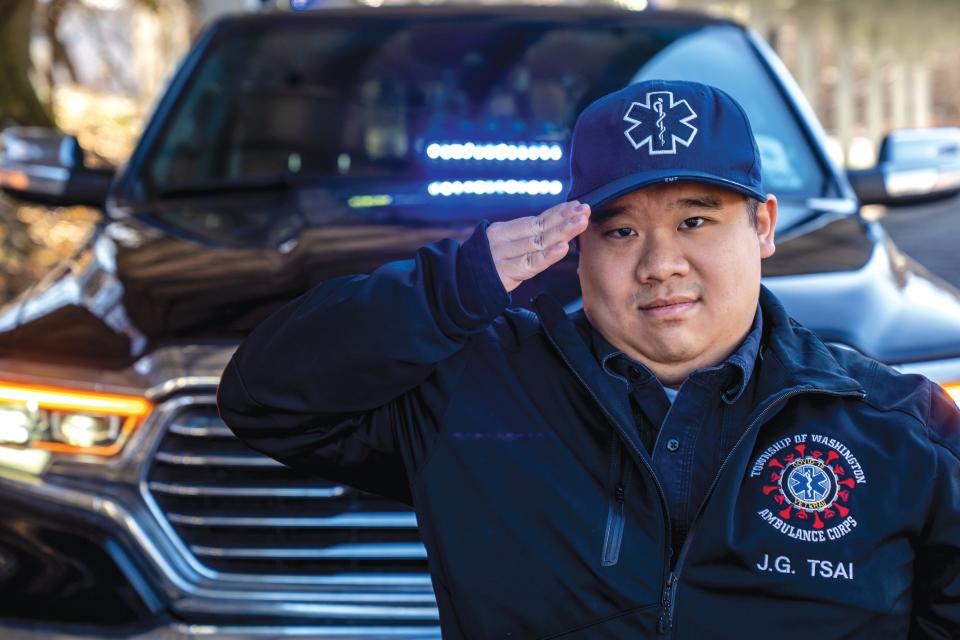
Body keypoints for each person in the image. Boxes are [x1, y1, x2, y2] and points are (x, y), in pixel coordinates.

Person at [216, 79, 960, 638]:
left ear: (763, 225)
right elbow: (264, 398)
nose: (662, 264)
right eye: (620, 232)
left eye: (696, 219)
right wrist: (454, 285)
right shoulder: (473, 392)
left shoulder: (898, 425)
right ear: (575, 244)